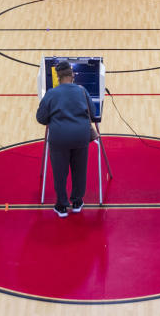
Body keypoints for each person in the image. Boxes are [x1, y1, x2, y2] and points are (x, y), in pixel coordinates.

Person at [36, 61, 95, 217]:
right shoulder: (82, 91)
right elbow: (93, 113)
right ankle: (77, 202)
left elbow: (41, 118)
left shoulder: (51, 94)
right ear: (72, 75)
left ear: (58, 77)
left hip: (59, 138)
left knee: (60, 172)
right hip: (80, 137)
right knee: (79, 170)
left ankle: (62, 206)